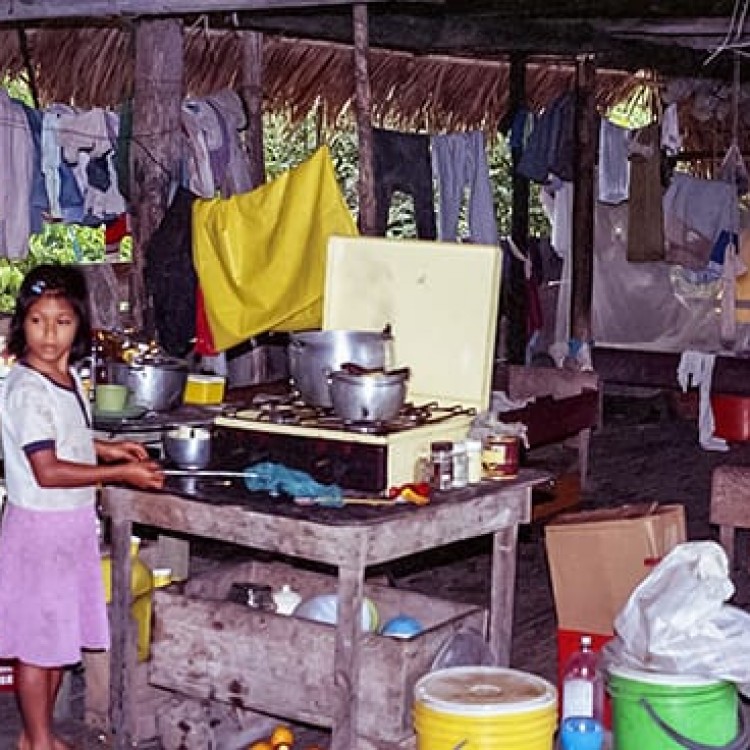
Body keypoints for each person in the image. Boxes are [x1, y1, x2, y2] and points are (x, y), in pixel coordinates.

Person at [0, 264, 165, 750]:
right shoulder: (26, 387)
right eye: (37, 321)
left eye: (62, 322)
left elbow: (65, 439)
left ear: (80, 325)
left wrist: (107, 448)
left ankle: (39, 736)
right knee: (36, 647)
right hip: (38, 530)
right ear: (21, 324)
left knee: (52, 644)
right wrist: (119, 474)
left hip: (67, 525)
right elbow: (46, 469)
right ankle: (37, 738)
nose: (49, 334)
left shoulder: (65, 376)